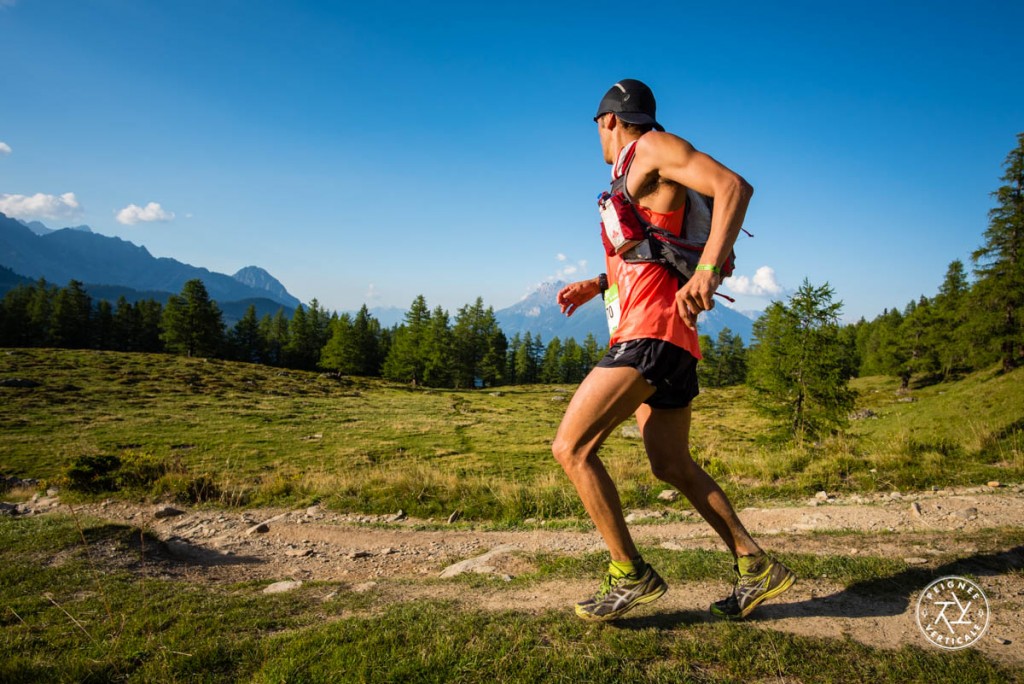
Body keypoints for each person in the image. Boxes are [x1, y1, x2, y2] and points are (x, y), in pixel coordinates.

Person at [553, 78, 794, 622]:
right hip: (667, 338)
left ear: (609, 119)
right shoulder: (627, 176)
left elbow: (734, 186)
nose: (596, 133)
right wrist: (598, 282)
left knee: (571, 449)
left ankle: (629, 574)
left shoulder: (654, 148)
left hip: (651, 335)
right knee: (671, 464)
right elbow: (650, 249)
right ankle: (756, 565)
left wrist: (708, 271)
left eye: (595, 124)